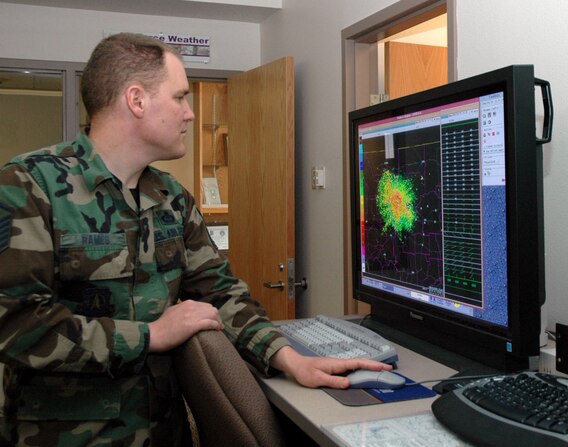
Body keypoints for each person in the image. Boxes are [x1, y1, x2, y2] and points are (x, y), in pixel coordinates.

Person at [0, 33, 390, 446]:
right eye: (180, 97)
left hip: (166, 432)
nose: (189, 113)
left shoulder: (170, 197)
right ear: (136, 100)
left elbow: (220, 293)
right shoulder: (28, 185)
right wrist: (150, 335)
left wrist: (288, 358)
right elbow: (17, 325)